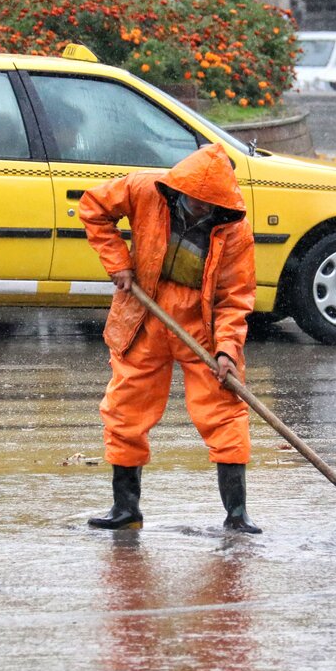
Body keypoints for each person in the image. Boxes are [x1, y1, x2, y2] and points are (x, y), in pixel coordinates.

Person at [79, 142, 260, 534]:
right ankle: (125, 509)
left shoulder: (235, 230)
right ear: (181, 189)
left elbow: (235, 296)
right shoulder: (145, 189)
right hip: (144, 311)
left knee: (224, 412)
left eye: (208, 206)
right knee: (126, 410)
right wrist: (119, 264)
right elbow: (93, 207)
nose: (200, 210)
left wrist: (227, 350)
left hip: (201, 325)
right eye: (195, 202)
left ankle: (237, 515)